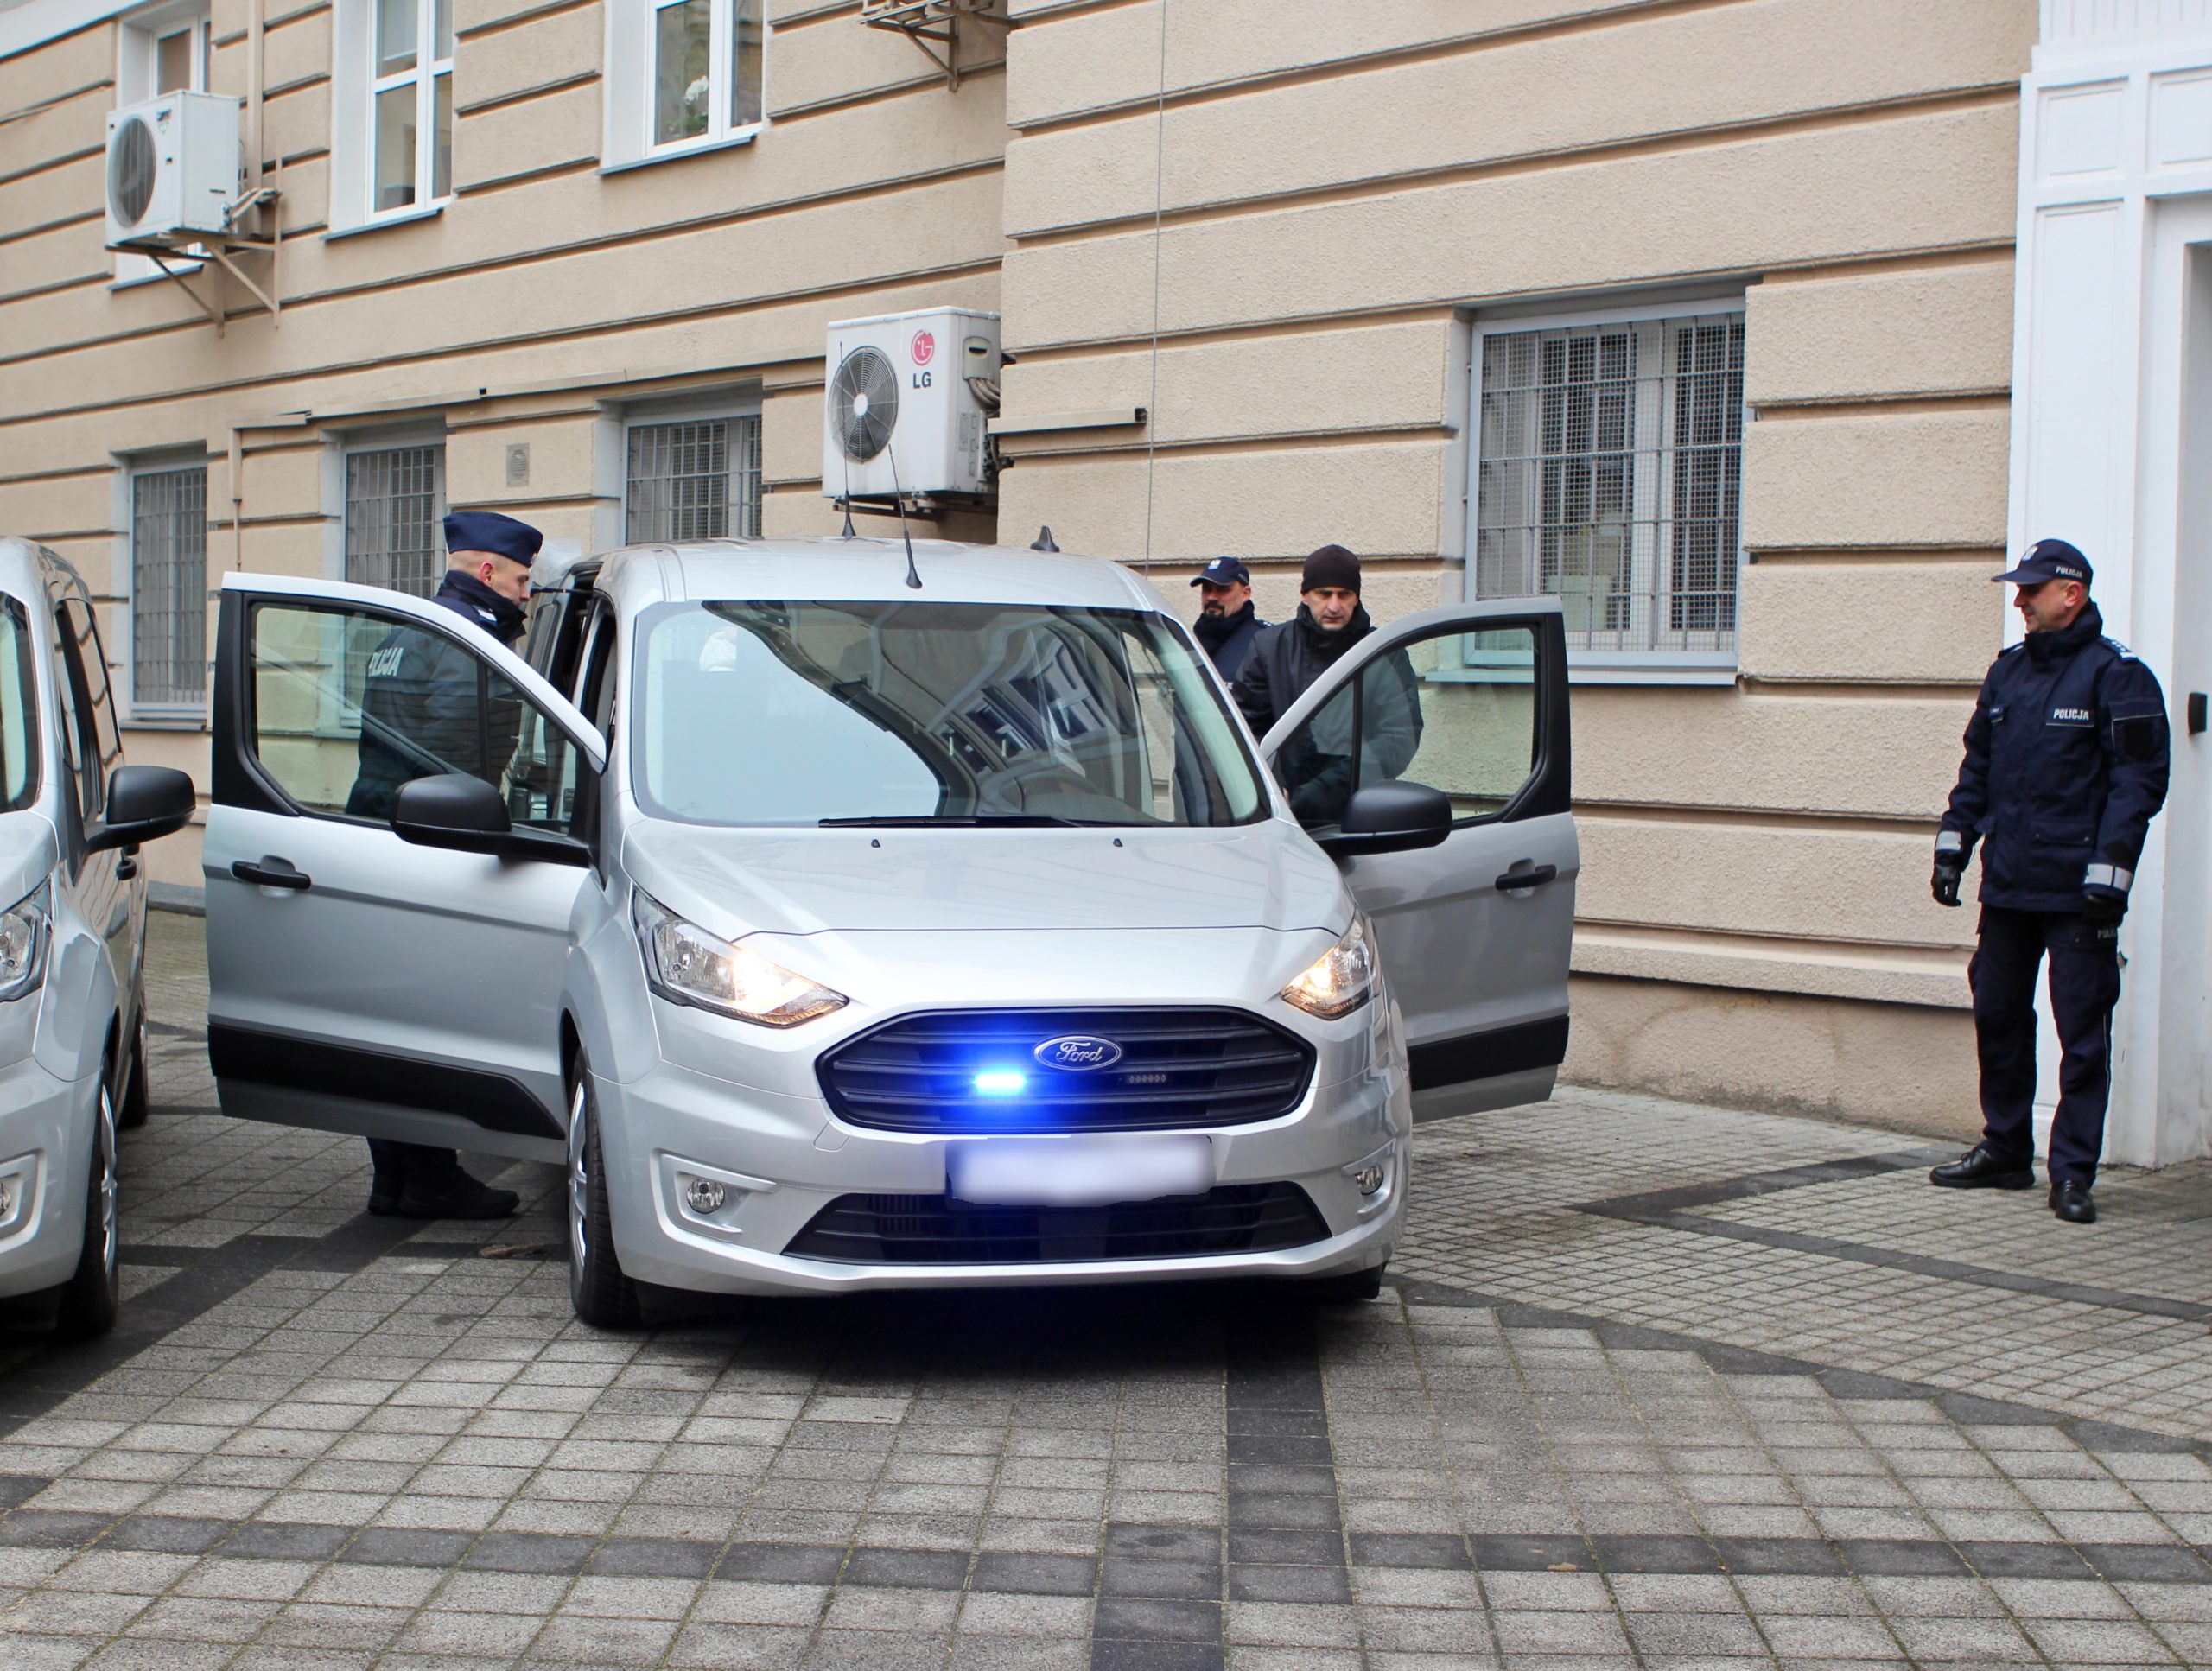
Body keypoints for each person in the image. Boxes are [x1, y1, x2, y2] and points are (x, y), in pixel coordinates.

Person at [1928, 538, 2169, 1225]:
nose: (2019, 601)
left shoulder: (2119, 677)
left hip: (2078, 892)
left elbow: (2139, 783)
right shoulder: (2007, 675)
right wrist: (1953, 845)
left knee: (2081, 1034)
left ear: (2073, 593)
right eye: (2019, 590)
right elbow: (1977, 770)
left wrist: (2111, 873)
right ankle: (2006, 1151)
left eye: (2031, 591)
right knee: (1999, 1016)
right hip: (2008, 885)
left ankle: (2073, 1173)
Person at [349, 509, 543, 1221]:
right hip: (434, 849)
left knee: (389, 1017)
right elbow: (467, 756)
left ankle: (395, 1177)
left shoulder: (408, 632)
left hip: (378, 834)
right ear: (487, 571)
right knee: (431, 1017)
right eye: (522, 579)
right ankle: (428, 1176)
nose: (528, 594)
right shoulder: (467, 642)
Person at [1234, 544, 1419, 825]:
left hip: (1360, 814)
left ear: (1356, 597)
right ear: (1305, 594)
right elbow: (1244, 730)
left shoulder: (1383, 653)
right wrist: (1272, 788)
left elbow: (1399, 738)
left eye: (1344, 595)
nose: (1334, 606)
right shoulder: (1269, 648)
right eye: (1324, 594)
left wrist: (1323, 791)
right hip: (1280, 813)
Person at [1189, 556, 1267, 681]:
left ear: (1245, 594)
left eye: (1222, 589)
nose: (1211, 597)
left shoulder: (1263, 642)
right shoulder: (1192, 640)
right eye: (1207, 589)